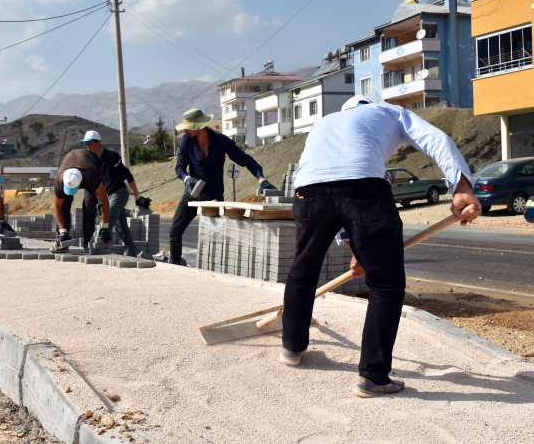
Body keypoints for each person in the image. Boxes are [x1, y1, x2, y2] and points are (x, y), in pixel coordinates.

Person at [280, 95, 481, 398]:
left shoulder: (325, 122)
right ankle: (373, 376)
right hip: (364, 188)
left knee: (303, 271)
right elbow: (436, 139)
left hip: (307, 192)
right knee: (385, 284)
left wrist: (358, 251)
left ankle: (292, 348)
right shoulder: (389, 112)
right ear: (369, 105)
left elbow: (333, 184)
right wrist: (461, 187)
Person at [171, 108, 277, 265]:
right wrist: (187, 179)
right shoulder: (186, 141)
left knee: (215, 237)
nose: (185, 131)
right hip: (193, 193)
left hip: (214, 196)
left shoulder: (221, 142)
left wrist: (262, 179)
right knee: (175, 231)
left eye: (188, 127)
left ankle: (214, 268)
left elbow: (246, 160)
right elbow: (179, 166)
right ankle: (175, 266)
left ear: (199, 127)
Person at [80, 130, 151, 257]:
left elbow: (128, 175)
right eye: (86, 145)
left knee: (104, 226)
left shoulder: (112, 157)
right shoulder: (92, 161)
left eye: (90, 144)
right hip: (108, 198)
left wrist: (137, 196)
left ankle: (96, 254)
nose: (88, 147)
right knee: (122, 230)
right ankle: (132, 255)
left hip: (119, 195)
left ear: (98, 143)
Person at [51, 148, 112, 253]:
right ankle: (63, 239)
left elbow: (105, 200)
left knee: (89, 203)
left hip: (92, 164)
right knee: (65, 204)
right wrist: (62, 231)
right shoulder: (60, 180)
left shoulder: (92, 176)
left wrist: (105, 227)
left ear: (81, 182)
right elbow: (57, 207)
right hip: (73, 161)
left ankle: (87, 242)